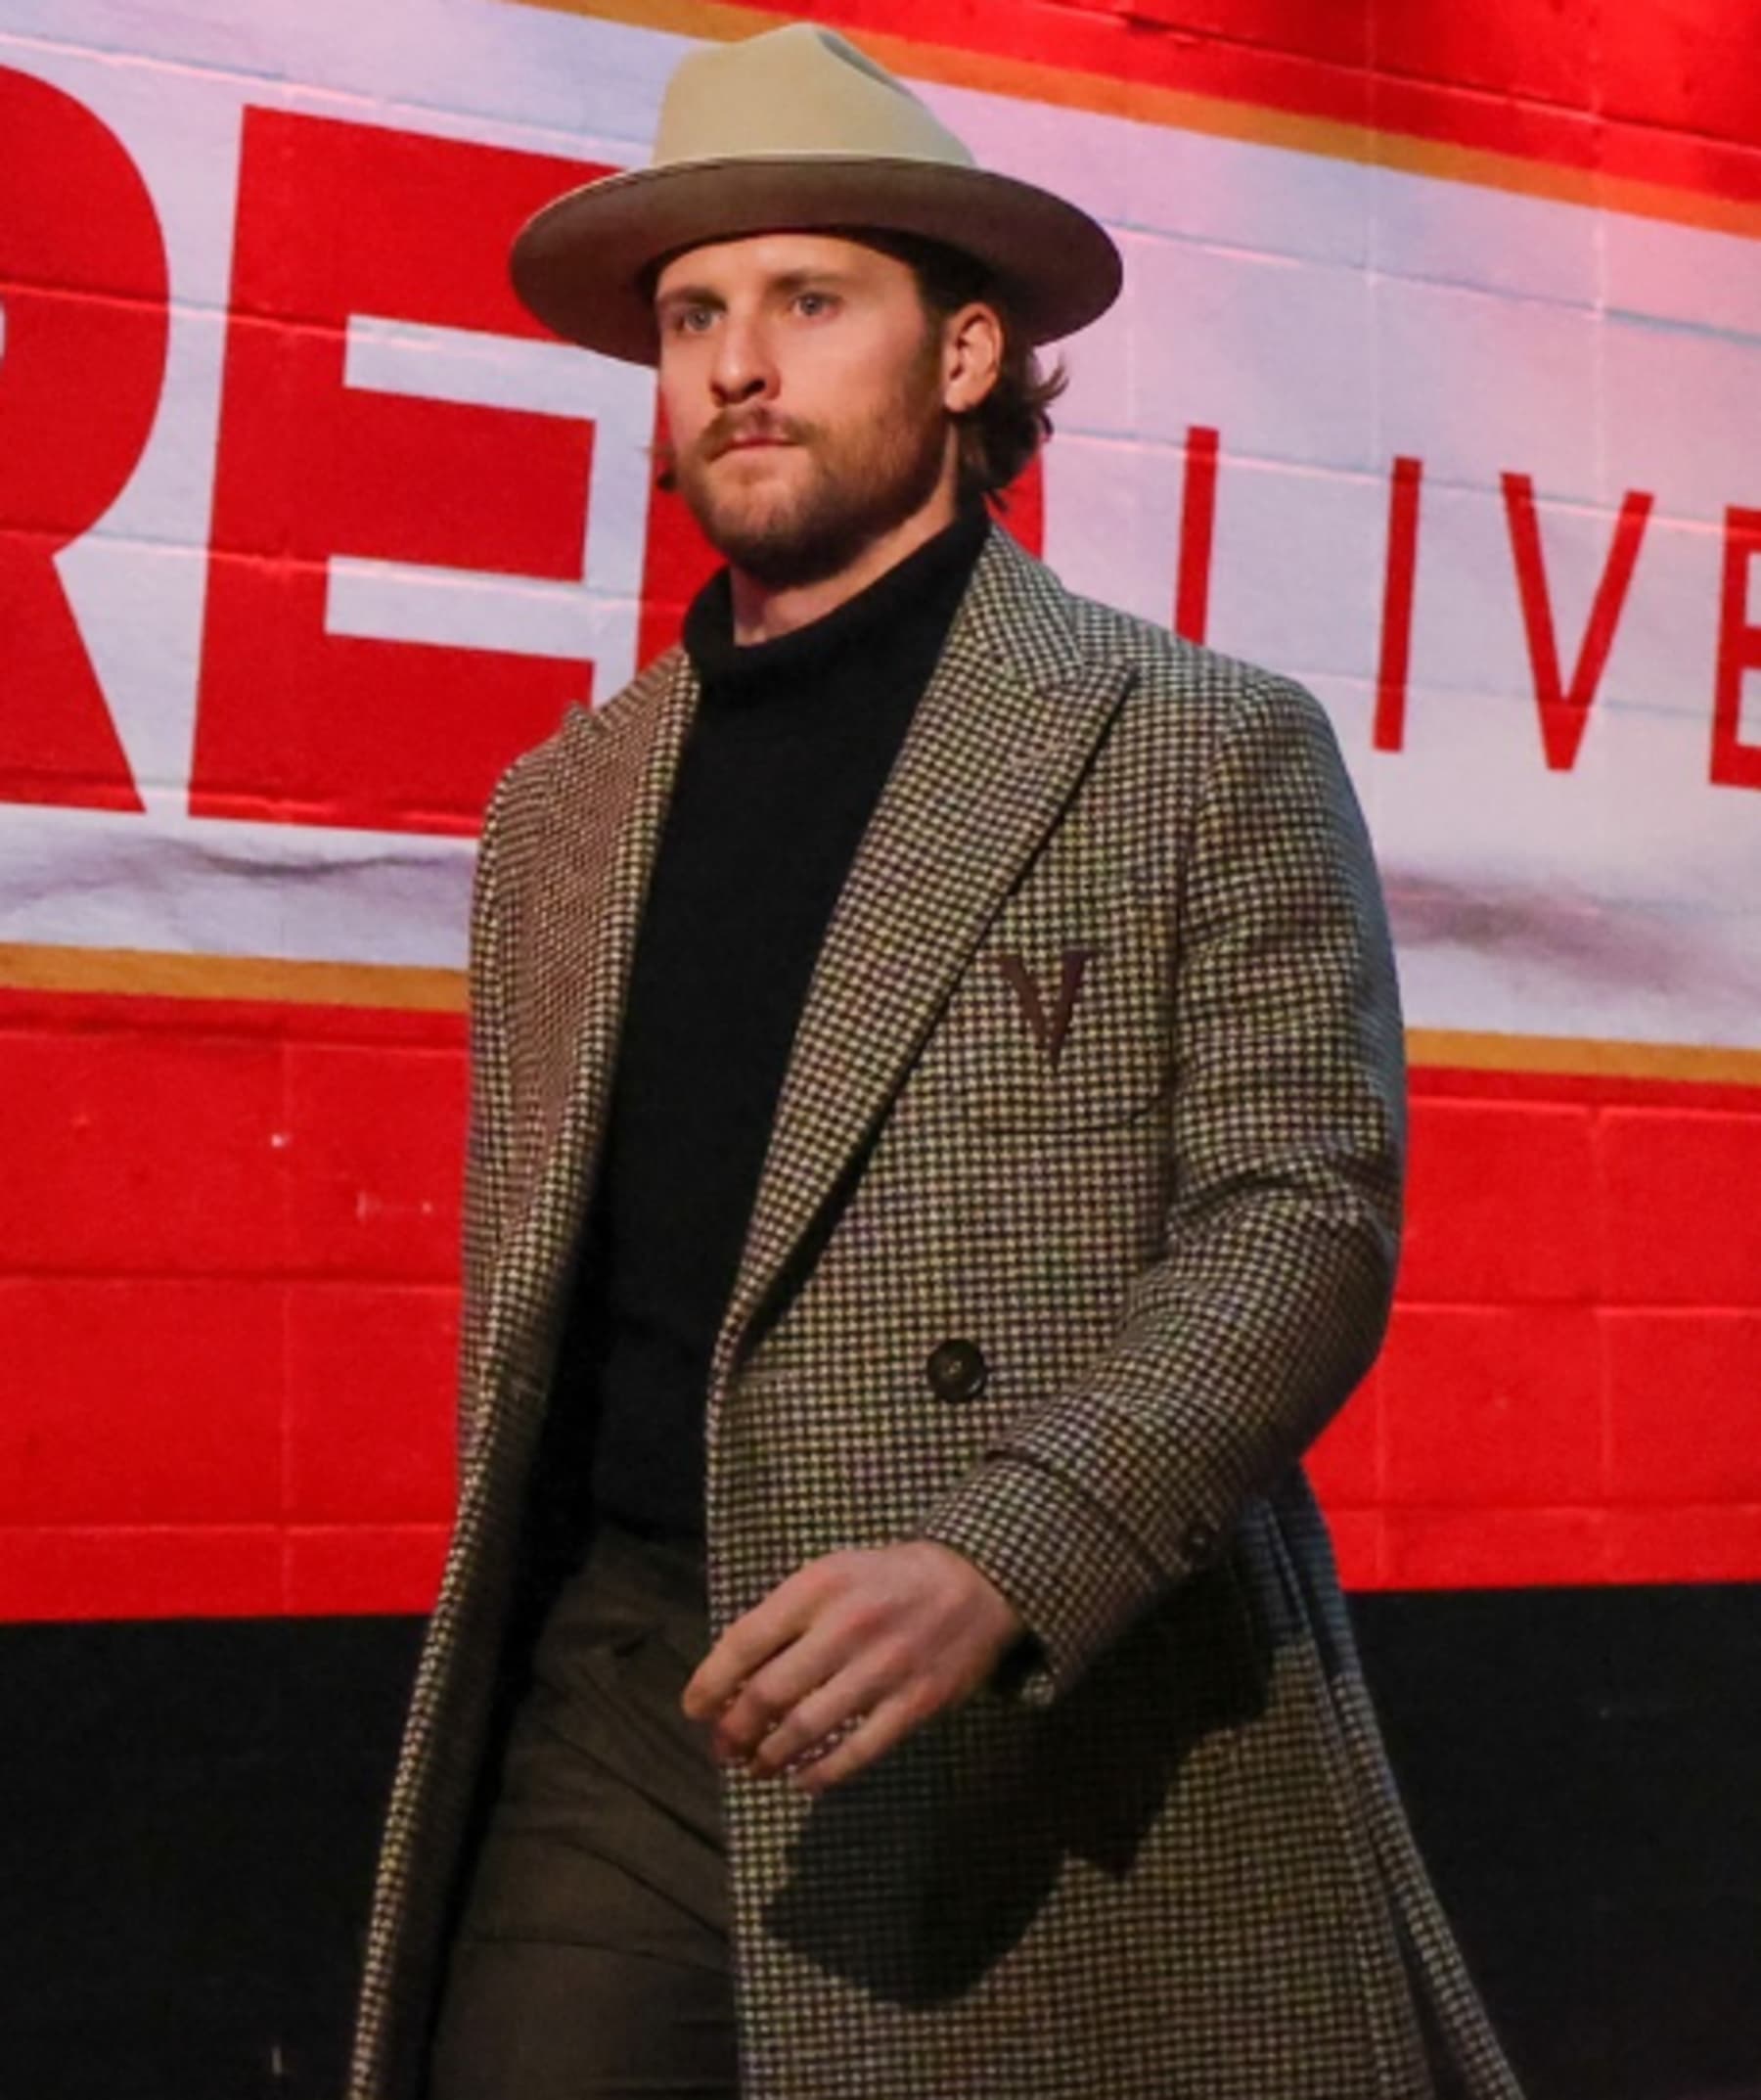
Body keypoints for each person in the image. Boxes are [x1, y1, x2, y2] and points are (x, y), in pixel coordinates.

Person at [348, 22, 1528, 2100]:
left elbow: (1300, 1221)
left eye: (809, 301)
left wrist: (1009, 1548)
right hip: (643, 1667)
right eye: (693, 315)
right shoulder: (561, 809)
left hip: (1056, 1676)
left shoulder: (1191, 744)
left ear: (968, 354)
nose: (737, 364)